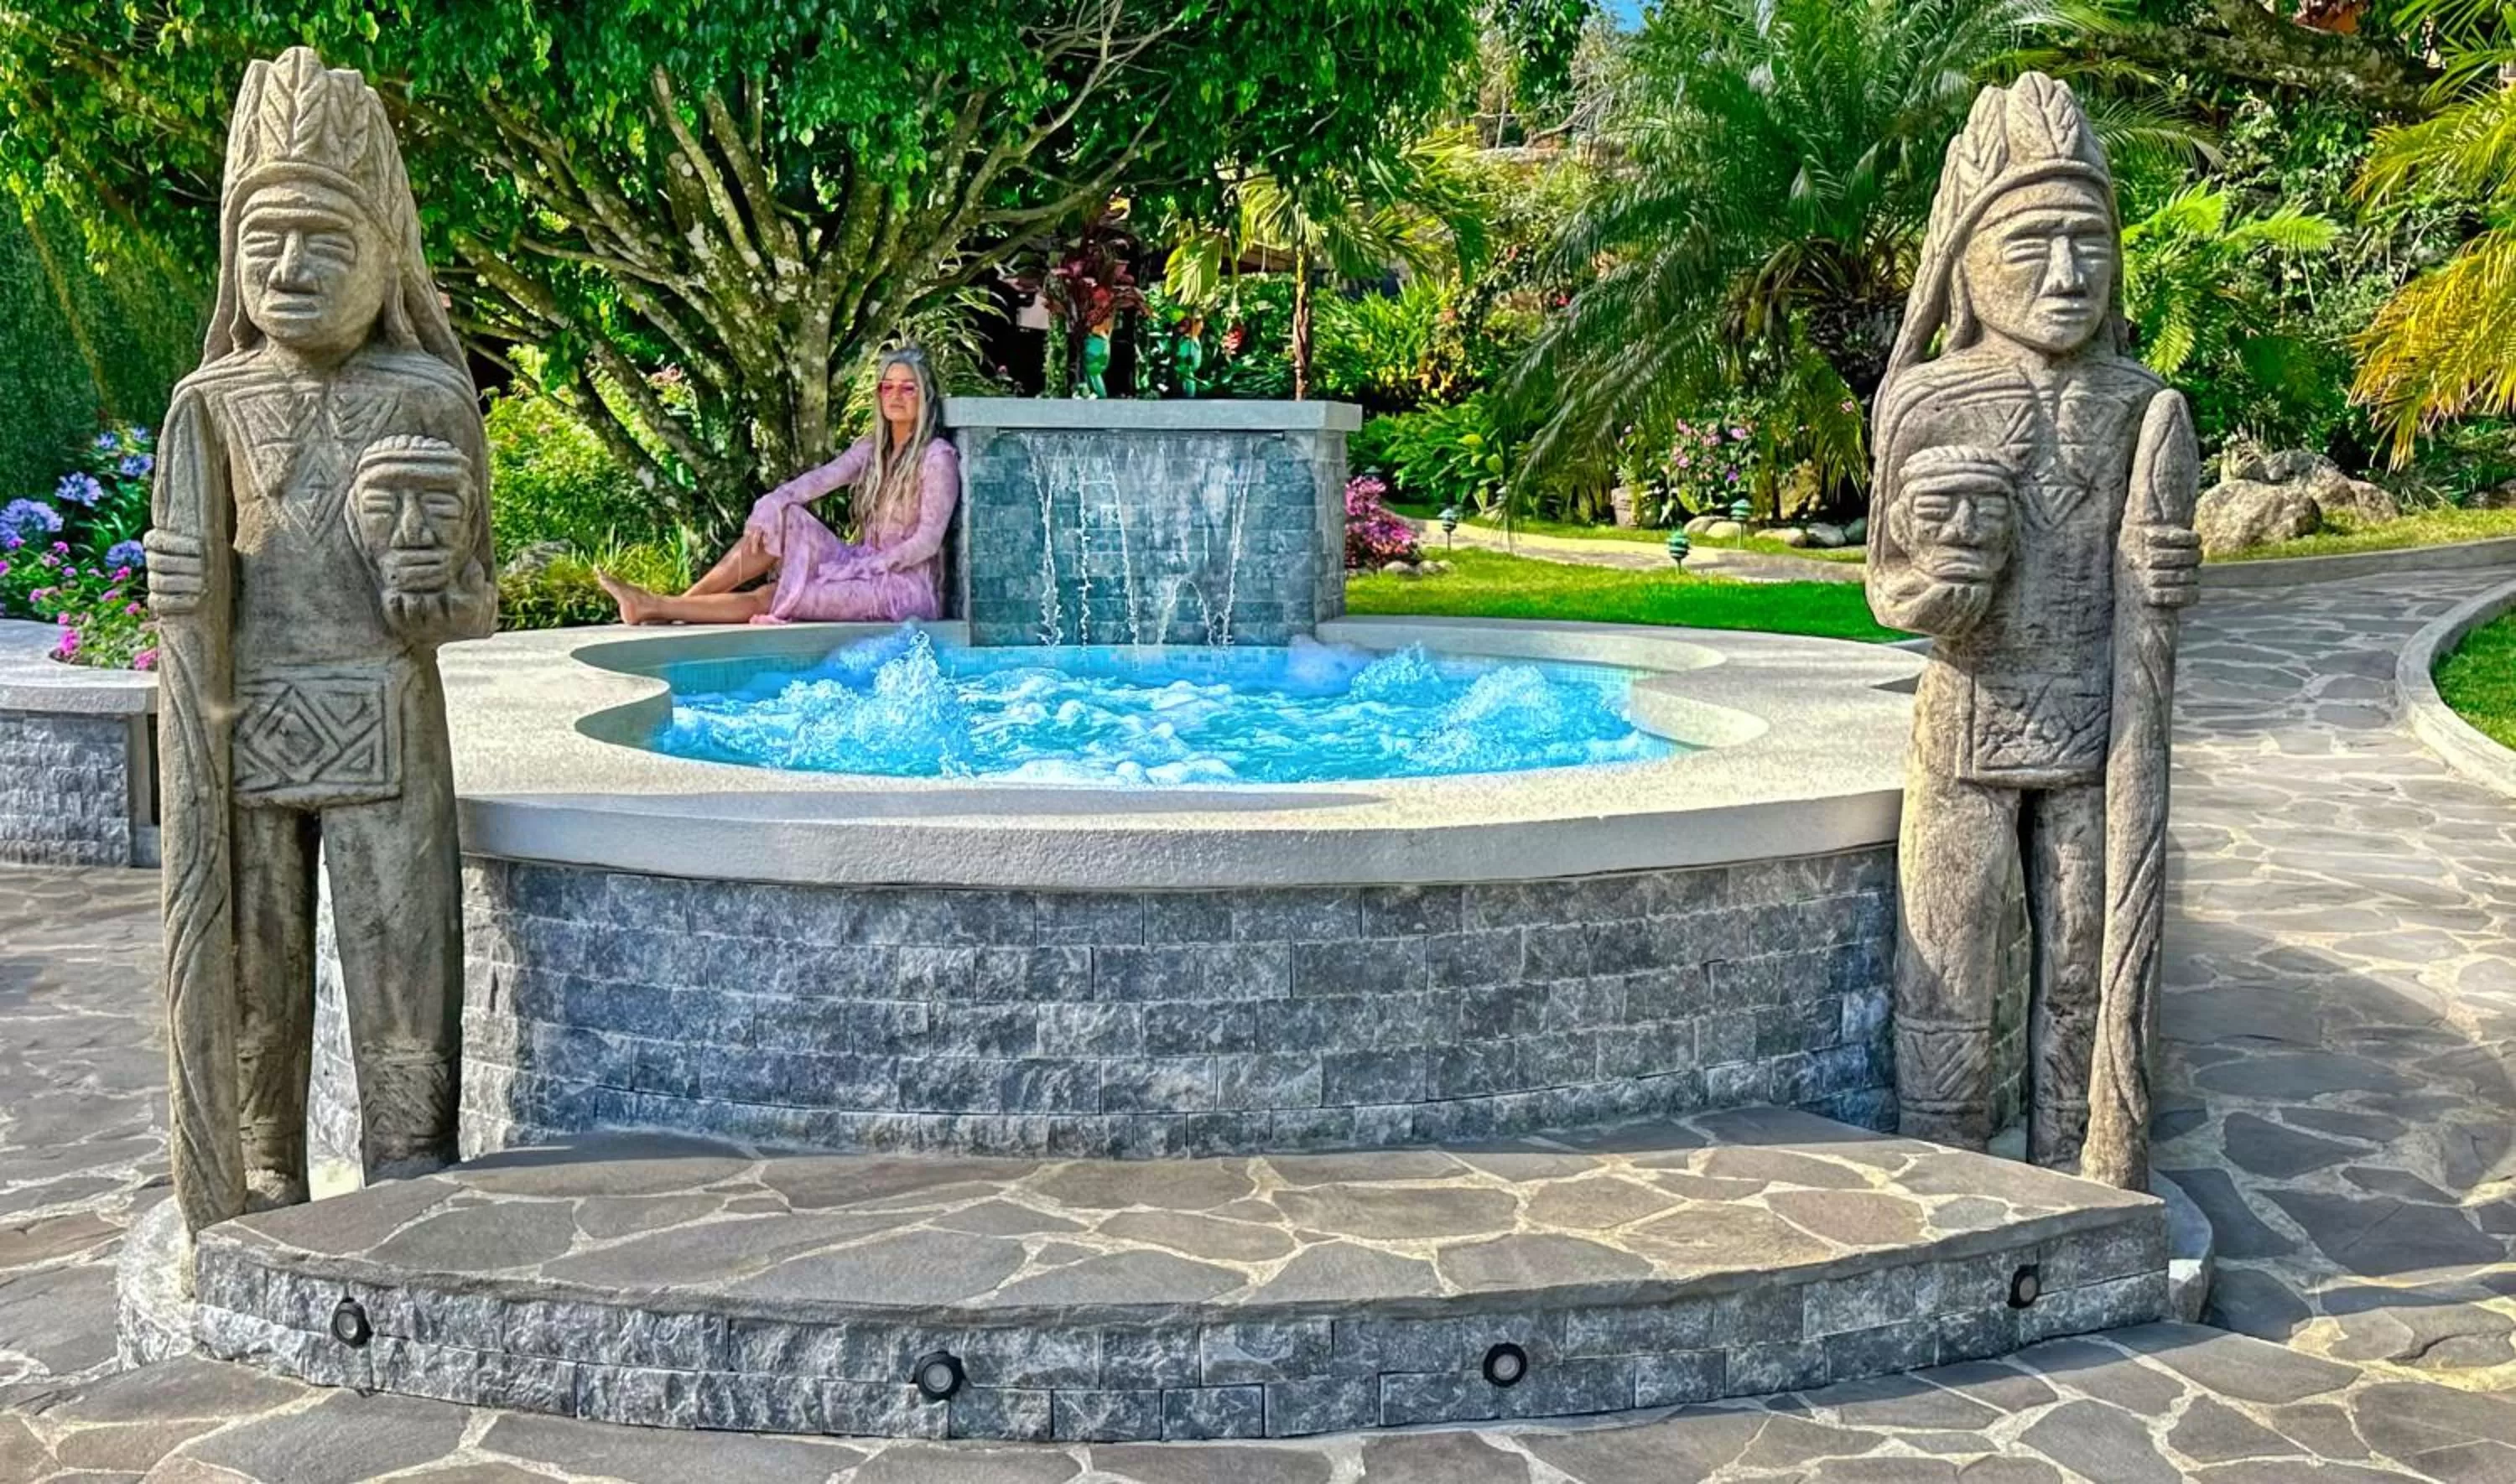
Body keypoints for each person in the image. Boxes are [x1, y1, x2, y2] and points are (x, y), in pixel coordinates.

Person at [1864, 74, 2200, 1169]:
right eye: (2032, 245)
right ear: (1966, 263)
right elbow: (1891, 591)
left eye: (2089, 244)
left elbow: (2147, 577)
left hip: (2098, 740)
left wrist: (2163, 574)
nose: (2067, 273)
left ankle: (2078, 1163)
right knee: (1948, 962)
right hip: (1966, 729)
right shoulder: (1928, 400)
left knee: (2085, 968)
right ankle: (1947, 1175)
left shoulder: (2142, 408)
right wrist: (1949, 576)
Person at [599, 346, 959, 625]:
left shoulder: (936, 457)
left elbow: (928, 541)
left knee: (776, 594)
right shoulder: (873, 449)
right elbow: (821, 479)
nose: (895, 396)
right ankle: (673, 605)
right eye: (887, 387)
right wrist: (774, 501)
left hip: (900, 586)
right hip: (861, 561)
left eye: (908, 388)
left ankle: (658, 607)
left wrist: (873, 565)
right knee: (782, 517)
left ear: (924, 397)